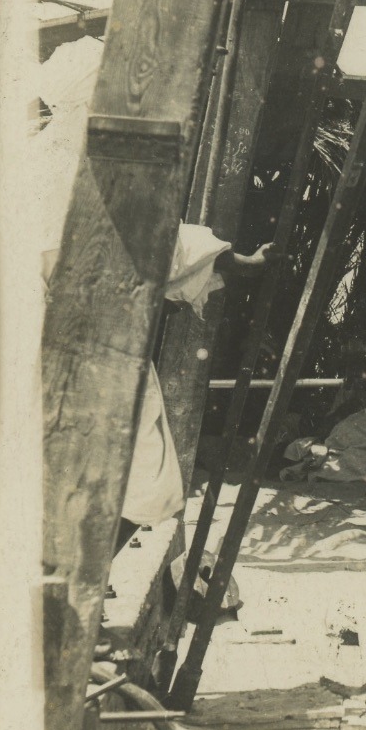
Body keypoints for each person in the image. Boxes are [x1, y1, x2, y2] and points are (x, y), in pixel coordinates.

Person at [116, 224, 273, 555]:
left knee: (148, 486)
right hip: (111, 358)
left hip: (114, 356)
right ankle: (92, 569)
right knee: (150, 485)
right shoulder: (137, 233)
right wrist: (251, 262)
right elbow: (190, 247)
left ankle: (92, 570)